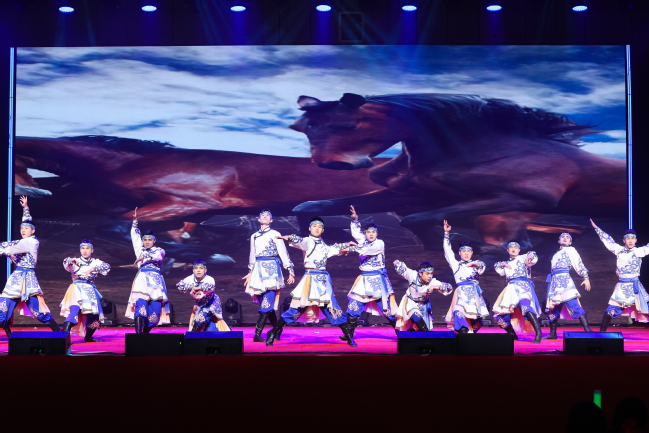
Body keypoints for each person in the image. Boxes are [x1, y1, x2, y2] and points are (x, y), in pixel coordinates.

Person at [265, 217, 355, 346]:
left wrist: (347, 245)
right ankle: (273, 332)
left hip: (323, 282)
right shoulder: (308, 241)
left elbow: (332, 249)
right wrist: (287, 237)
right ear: (309, 228)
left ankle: (349, 337)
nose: (317, 228)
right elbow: (299, 240)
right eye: (314, 226)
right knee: (296, 310)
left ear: (323, 230)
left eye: (319, 227)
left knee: (333, 308)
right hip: (310, 280)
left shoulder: (322, 245)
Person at [0, 196, 60, 337]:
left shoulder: (31, 242)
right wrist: (25, 208)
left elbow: (8, 246)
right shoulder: (25, 241)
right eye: (21, 228)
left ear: (33, 231)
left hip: (28, 280)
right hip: (16, 279)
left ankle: (59, 334)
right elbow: (26, 223)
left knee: (39, 312)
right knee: (2, 308)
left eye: (26, 229)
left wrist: (8, 252)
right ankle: (9, 334)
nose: (23, 230)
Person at [342, 206, 398, 347]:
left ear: (377, 233)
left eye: (373, 232)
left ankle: (402, 334)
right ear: (365, 233)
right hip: (363, 281)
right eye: (368, 232)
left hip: (378, 281)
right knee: (353, 308)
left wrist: (349, 248)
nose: (371, 234)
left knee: (389, 312)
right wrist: (355, 219)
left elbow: (365, 250)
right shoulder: (363, 241)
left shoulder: (379, 244)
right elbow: (356, 233)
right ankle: (349, 336)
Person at [243, 209, 295, 342]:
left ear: (271, 220)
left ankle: (257, 334)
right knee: (267, 306)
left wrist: (290, 270)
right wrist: (250, 272)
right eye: (262, 215)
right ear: (258, 219)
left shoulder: (275, 234)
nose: (265, 217)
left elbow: (283, 252)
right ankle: (277, 329)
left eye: (267, 216)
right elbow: (252, 255)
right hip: (257, 271)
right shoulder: (254, 236)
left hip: (272, 270)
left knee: (266, 306)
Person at [591, 220, 649, 331]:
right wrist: (597, 228)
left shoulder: (640, 251)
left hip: (635, 287)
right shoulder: (619, 250)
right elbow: (608, 240)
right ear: (624, 240)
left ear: (636, 240)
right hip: (621, 287)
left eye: (632, 238)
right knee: (610, 310)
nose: (630, 240)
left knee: (646, 308)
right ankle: (601, 334)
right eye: (628, 238)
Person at [125, 207, 170, 333]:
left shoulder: (159, 250)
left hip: (156, 283)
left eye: (149, 240)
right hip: (142, 280)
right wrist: (135, 222)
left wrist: (144, 257)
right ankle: (138, 336)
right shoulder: (140, 250)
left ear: (154, 241)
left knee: (154, 318)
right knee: (140, 308)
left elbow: (157, 256)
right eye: (145, 240)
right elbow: (135, 237)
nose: (147, 242)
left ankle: (144, 334)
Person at [442, 220, 489, 333]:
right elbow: (448, 252)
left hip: (474, 294)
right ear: (459, 253)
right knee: (458, 312)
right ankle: (463, 333)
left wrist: (477, 265)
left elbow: (482, 268)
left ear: (472, 253)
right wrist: (446, 234)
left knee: (475, 320)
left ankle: (470, 334)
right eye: (464, 251)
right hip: (461, 294)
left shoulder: (477, 264)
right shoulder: (456, 265)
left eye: (468, 251)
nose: (466, 253)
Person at [59, 239, 111, 342]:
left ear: (92, 250)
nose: (85, 250)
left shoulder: (96, 262)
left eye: (87, 248)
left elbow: (107, 267)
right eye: (82, 248)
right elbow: (66, 262)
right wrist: (71, 261)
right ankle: (63, 339)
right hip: (76, 289)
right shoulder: (76, 261)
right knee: (74, 312)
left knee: (94, 315)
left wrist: (94, 268)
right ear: (80, 249)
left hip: (90, 290)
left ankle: (88, 337)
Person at [492, 241, 543, 343]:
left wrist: (530, 257)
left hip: (523, 286)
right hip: (511, 288)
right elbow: (497, 268)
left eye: (516, 247)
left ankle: (538, 333)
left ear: (519, 250)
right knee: (501, 318)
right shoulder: (507, 263)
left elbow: (532, 255)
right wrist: (503, 264)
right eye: (511, 247)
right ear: (508, 250)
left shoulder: (523, 258)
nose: (513, 249)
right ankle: (513, 335)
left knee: (525, 307)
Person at [544, 232, 592, 339]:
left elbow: (578, 263)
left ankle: (587, 329)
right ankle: (552, 333)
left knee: (574, 304)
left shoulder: (571, 250)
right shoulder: (556, 254)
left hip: (564, 281)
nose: (565, 239)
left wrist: (586, 278)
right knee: (553, 309)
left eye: (567, 238)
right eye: (562, 237)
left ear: (570, 242)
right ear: (559, 241)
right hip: (554, 283)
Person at [393, 260, 453, 332]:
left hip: (424, 306)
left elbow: (449, 288)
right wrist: (397, 263)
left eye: (431, 273)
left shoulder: (432, 282)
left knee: (422, 329)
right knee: (416, 316)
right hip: (411, 303)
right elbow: (402, 269)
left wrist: (436, 287)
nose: (430, 276)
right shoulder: (412, 275)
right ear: (420, 273)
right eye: (427, 274)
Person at [177, 260, 230, 332]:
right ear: (193, 270)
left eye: (201, 268)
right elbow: (179, 286)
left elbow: (210, 287)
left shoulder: (209, 279)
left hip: (211, 303)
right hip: (199, 305)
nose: (198, 270)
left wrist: (198, 288)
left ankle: (192, 336)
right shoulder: (190, 278)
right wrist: (192, 287)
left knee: (200, 320)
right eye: (196, 268)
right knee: (210, 329)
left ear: (205, 270)